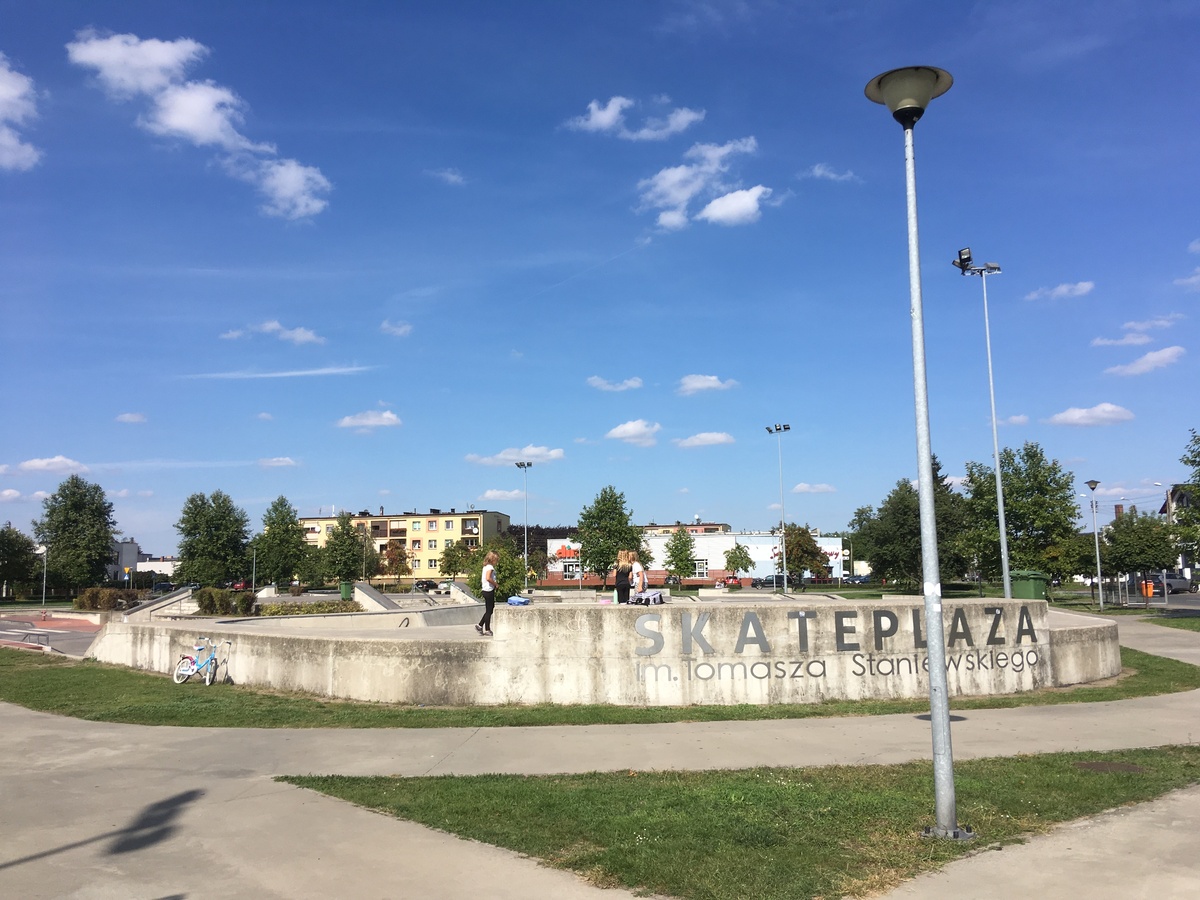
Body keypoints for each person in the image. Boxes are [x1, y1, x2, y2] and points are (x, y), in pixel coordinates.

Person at [476, 551, 498, 636]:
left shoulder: (485, 567)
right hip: (489, 590)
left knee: (489, 609)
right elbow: (488, 578)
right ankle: (487, 629)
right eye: (496, 560)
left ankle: (480, 625)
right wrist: (495, 584)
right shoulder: (490, 568)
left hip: (485, 590)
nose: (497, 562)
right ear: (492, 559)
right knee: (489, 610)